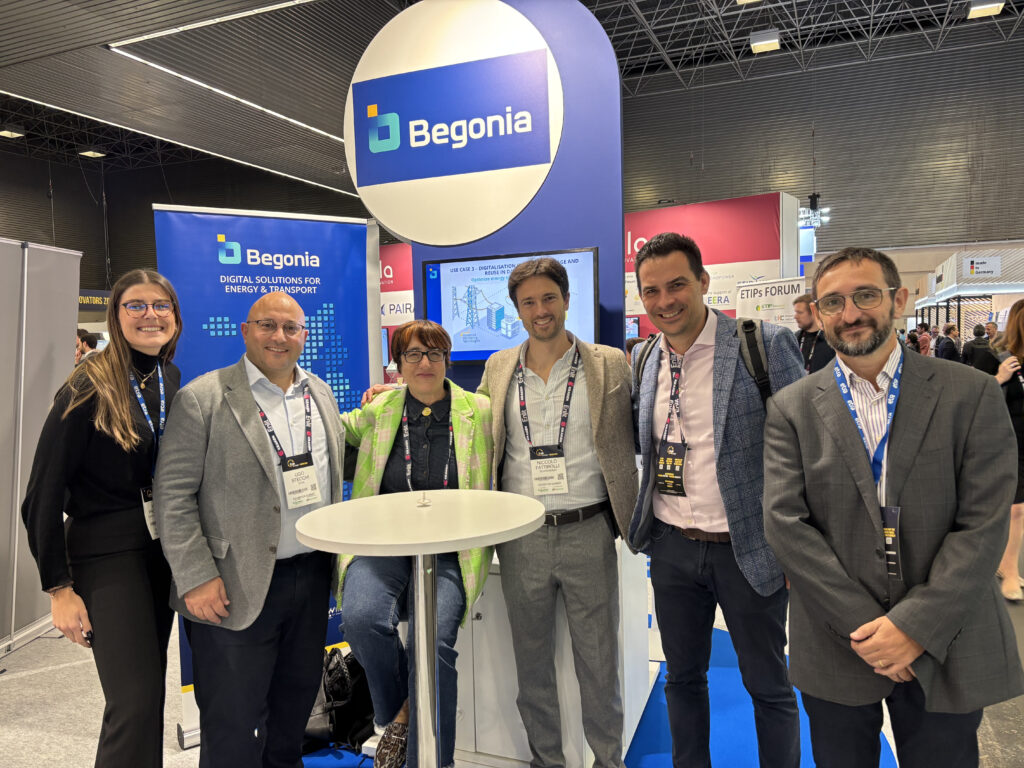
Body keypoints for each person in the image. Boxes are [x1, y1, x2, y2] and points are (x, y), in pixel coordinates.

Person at [763, 247, 1024, 768]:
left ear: (898, 300)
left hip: (947, 635)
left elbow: (984, 523)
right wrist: (872, 630)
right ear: (818, 313)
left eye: (865, 295)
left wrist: (913, 628)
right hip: (838, 639)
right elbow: (786, 524)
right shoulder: (791, 407)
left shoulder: (970, 394)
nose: (850, 313)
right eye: (833, 302)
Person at [629, 232, 804, 768]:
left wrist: (797, 547)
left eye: (677, 284)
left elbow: (807, 447)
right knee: (682, 679)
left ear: (703, 282)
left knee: (768, 685)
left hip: (749, 547)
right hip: (672, 547)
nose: (665, 301)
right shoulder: (644, 357)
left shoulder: (762, 344)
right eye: (651, 290)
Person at [154, 292, 346, 768]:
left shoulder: (320, 393)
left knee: (292, 718)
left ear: (304, 335)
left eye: (290, 328)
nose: (279, 337)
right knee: (233, 728)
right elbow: (172, 497)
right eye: (267, 325)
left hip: (311, 579)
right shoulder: (203, 398)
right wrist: (196, 575)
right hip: (230, 585)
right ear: (245, 331)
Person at [477, 257, 636, 768]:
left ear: (566, 300)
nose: (540, 310)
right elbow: (471, 423)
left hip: (589, 530)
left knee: (599, 664)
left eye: (549, 298)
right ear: (517, 310)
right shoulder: (499, 367)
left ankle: (608, 760)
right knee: (532, 666)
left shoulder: (609, 363)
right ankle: (547, 761)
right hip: (521, 538)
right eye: (528, 302)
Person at [21, 269, 183, 767]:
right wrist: (59, 589)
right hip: (105, 553)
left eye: (161, 305)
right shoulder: (88, 384)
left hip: (158, 550)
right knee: (133, 702)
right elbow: (41, 494)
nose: (150, 314)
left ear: (175, 317)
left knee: (147, 696)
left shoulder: (168, 377)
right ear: (115, 315)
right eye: (136, 305)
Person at [337, 319, 492, 768]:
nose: (425, 363)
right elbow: (329, 430)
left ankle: (435, 761)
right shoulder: (379, 411)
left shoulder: (479, 411)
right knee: (362, 618)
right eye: (413, 354)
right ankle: (399, 714)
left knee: (434, 643)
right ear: (398, 363)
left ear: (447, 359)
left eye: (435, 353)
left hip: (451, 549)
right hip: (384, 545)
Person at [993, 300, 1024, 603]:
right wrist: (1000, 378)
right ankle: (1010, 569)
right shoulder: (1001, 358)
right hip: (1010, 442)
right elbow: (976, 395)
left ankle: (1006, 563)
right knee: (1016, 509)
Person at [793, 292, 835, 373]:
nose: (795, 316)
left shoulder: (831, 340)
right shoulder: (794, 339)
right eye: (795, 312)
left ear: (813, 312)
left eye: (800, 312)